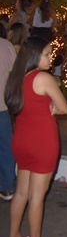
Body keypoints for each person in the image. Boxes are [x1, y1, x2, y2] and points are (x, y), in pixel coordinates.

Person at [5, 36, 67, 237]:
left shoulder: (16, 78)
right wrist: (53, 105)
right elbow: (63, 108)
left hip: (21, 140)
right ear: (34, 56)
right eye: (47, 54)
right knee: (37, 196)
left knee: (21, 192)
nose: (50, 58)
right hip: (42, 142)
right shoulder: (43, 78)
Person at [0, 33, 17, 201]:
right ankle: (6, 187)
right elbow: (14, 74)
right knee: (5, 147)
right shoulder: (6, 45)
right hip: (2, 105)